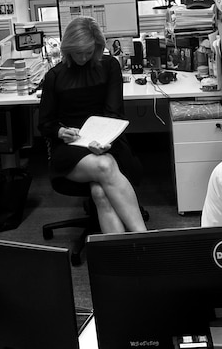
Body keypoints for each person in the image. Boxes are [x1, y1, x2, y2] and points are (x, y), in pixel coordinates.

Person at [38, 16, 146, 233]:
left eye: (89, 52)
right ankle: (143, 236)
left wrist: (104, 141)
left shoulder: (109, 66)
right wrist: (60, 131)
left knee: (99, 192)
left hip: (109, 140)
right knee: (105, 166)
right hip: (71, 148)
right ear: (68, 49)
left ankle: (117, 254)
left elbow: (114, 114)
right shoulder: (54, 76)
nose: (84, 58)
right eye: (78, 53)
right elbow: (45, 123)